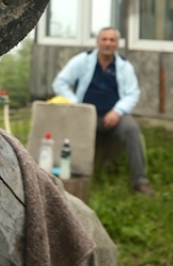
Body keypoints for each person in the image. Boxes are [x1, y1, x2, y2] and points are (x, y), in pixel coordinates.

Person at [52, 27, 154, 195]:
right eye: (104, 39)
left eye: (112, 40)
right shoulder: (82, 61)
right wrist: (77, 104)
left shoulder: (124, 66)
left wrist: (117, 111)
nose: (108, 43)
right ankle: (65, 176)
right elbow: (59, 83)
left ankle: (140, 182)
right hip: (85, 114)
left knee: (131, 129)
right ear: (97, 42)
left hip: (113, 116)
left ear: (117, 44)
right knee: (66, 129)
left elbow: (133, 93)